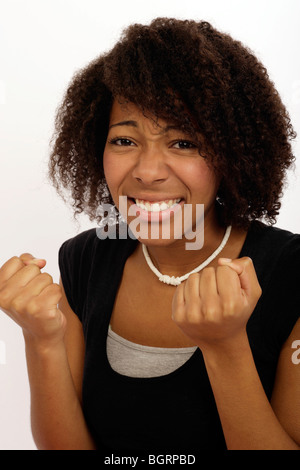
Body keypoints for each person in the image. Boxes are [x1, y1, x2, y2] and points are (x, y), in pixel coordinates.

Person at [0, 17, 299, 452]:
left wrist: (224, 345)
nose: (147, 172)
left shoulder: (291, 271)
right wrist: (40, 337)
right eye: (124, 141)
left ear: (233, 153)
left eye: (183, 143)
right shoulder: (85, 259)